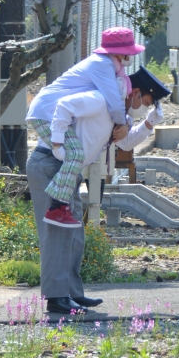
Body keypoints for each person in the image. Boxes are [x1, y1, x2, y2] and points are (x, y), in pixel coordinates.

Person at [26, 65, 171, 315]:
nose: (143, 108)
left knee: (74, 235)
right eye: (145, 103)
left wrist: (148, 124)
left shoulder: (119, 112)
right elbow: (65, 106)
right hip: (49, 162)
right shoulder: (101, 100)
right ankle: (56, 297)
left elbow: (125, 142)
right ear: (135, 92)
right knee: (57, 234)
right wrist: (61, 144)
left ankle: (71, 293)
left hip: (67, 171)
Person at [26, 27, 145, 229]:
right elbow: (114, 101)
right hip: (46, 113)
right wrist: (123, 123)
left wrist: (125, 123)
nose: (130, 56)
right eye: (129, 51)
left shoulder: (111, 66)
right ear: (120, 52)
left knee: (75, 154)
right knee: (75, 153)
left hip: (52, 112)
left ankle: (58, 206)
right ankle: (57, 207)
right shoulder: (103, 64)